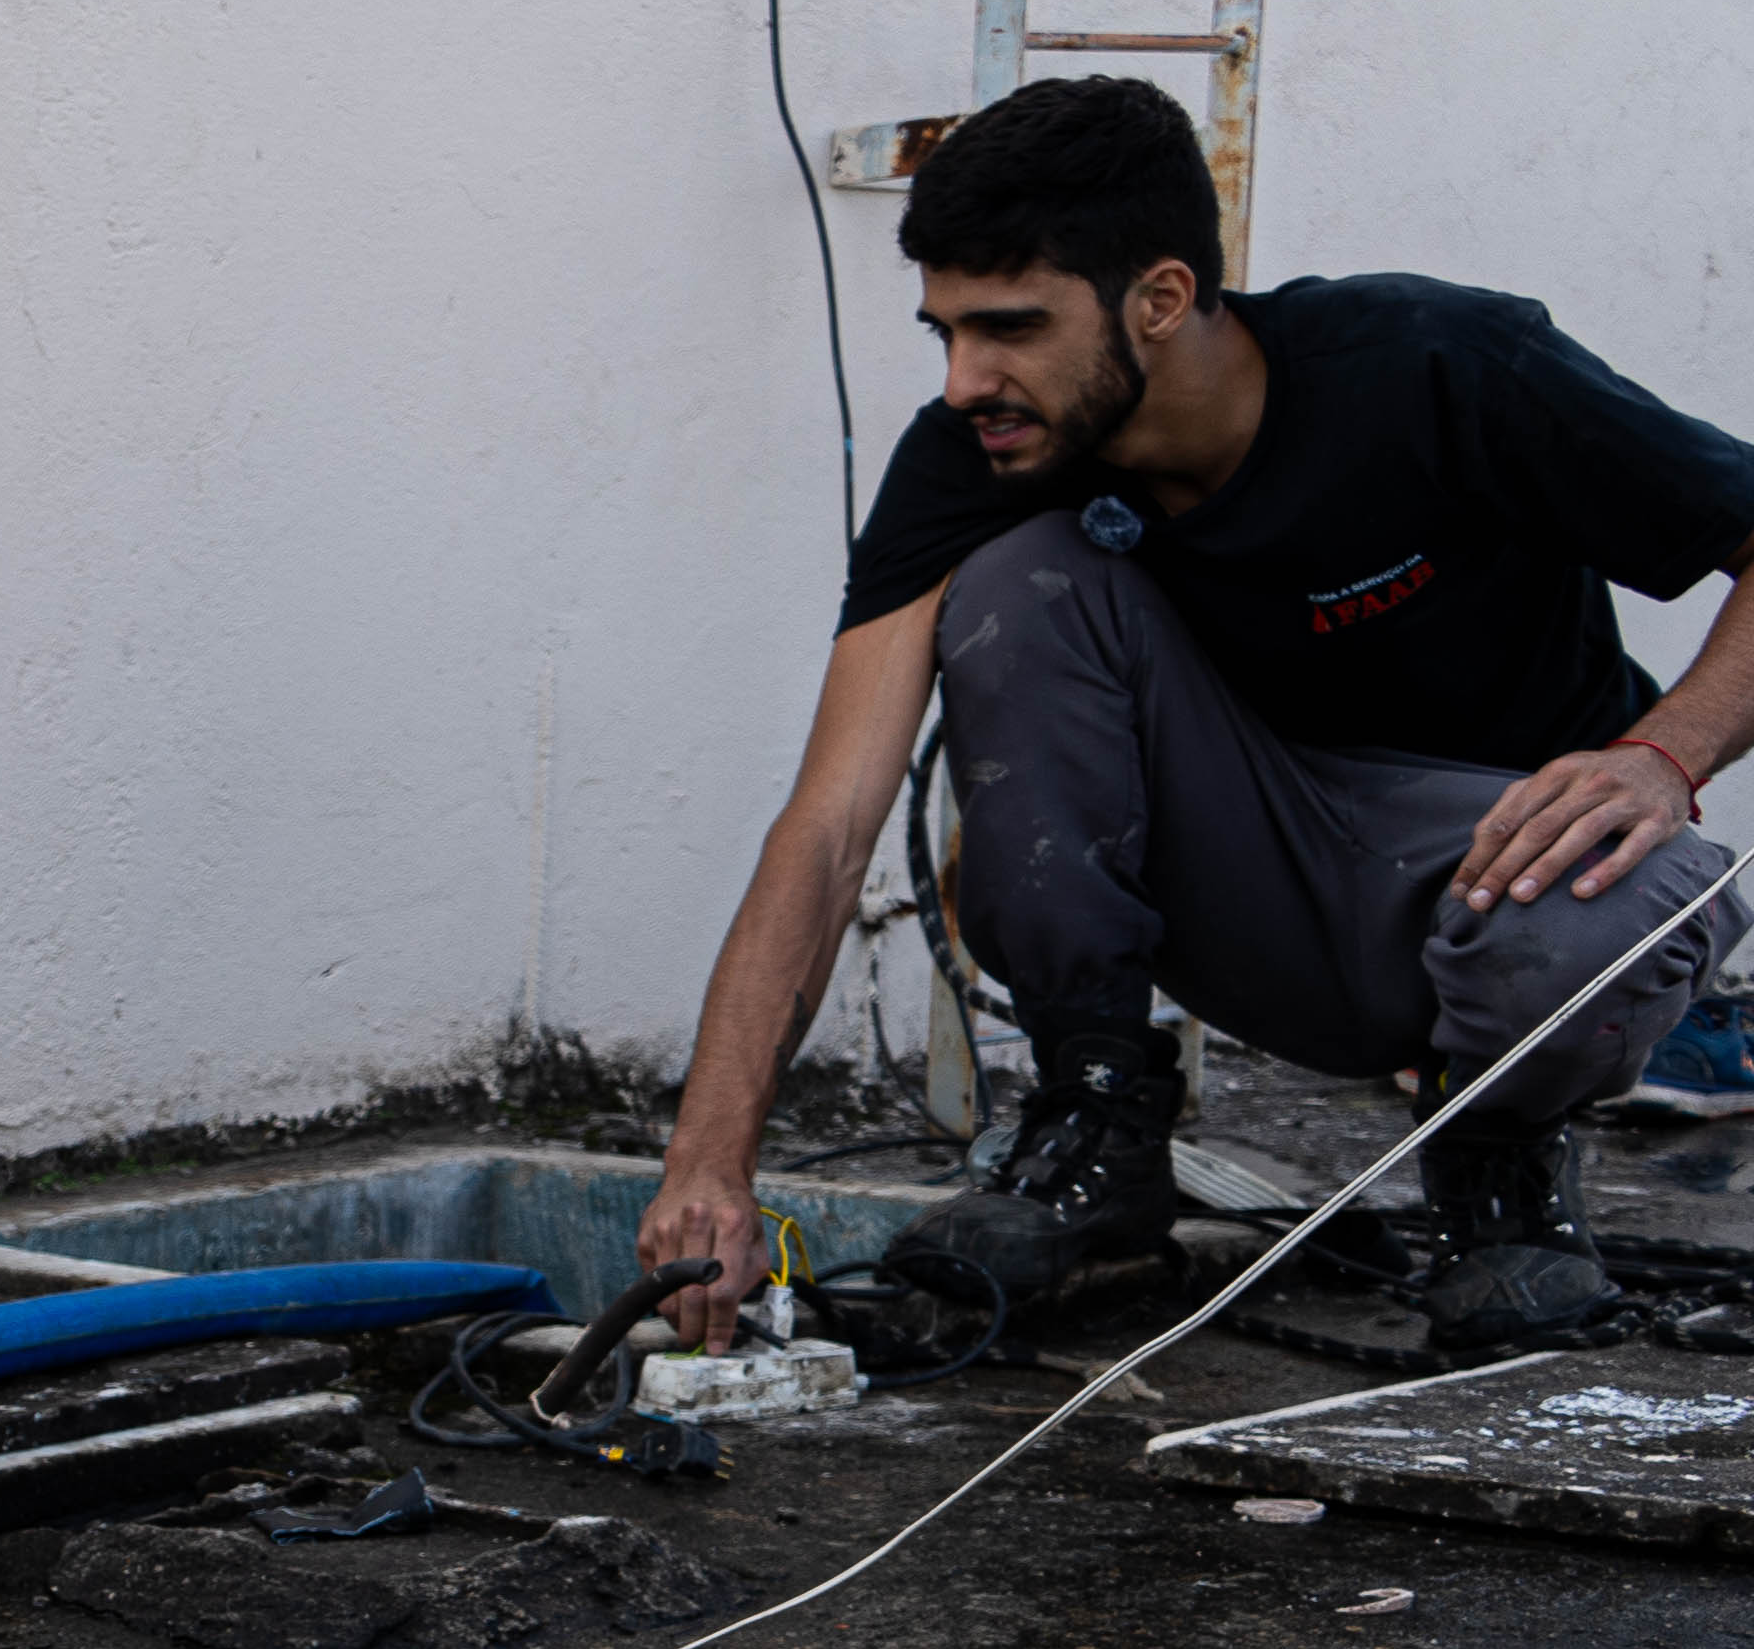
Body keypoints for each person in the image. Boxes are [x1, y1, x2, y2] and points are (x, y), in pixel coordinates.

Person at [637, 77, 1754, 1353]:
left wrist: (1664, 755)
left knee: (1629, 896)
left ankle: (1497, 1171)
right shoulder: (976, 457)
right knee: (1023, 580)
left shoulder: (1436, 365)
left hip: (1493, 885)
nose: (961, 381)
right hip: (1247, 884)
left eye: (1009, 327)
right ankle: (1098, 1132)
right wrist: (708, 1170)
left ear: (1160, 299)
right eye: (941, 330)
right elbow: (832, 822)